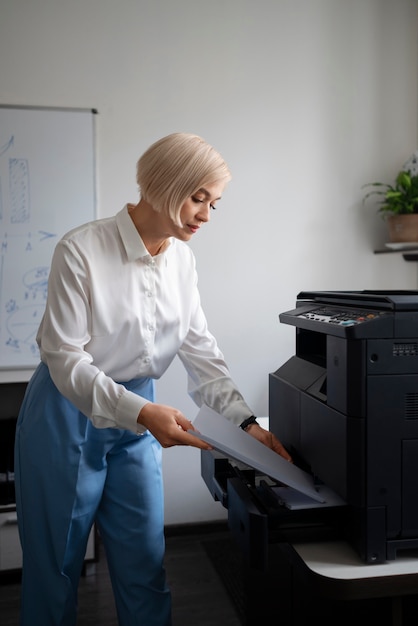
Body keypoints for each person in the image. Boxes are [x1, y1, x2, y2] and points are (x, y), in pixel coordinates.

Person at [14, 132, 292, 626]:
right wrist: (140, 412)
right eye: (197, 197)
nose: (206, 215)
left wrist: (246, 423)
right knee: (54, 571)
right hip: (66, 411)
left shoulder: (182, 259)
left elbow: (200, 349)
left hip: (139, 417)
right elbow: (64, 357)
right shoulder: (81, 249)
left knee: (145, 563)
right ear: (164, 184)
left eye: (214, 203)